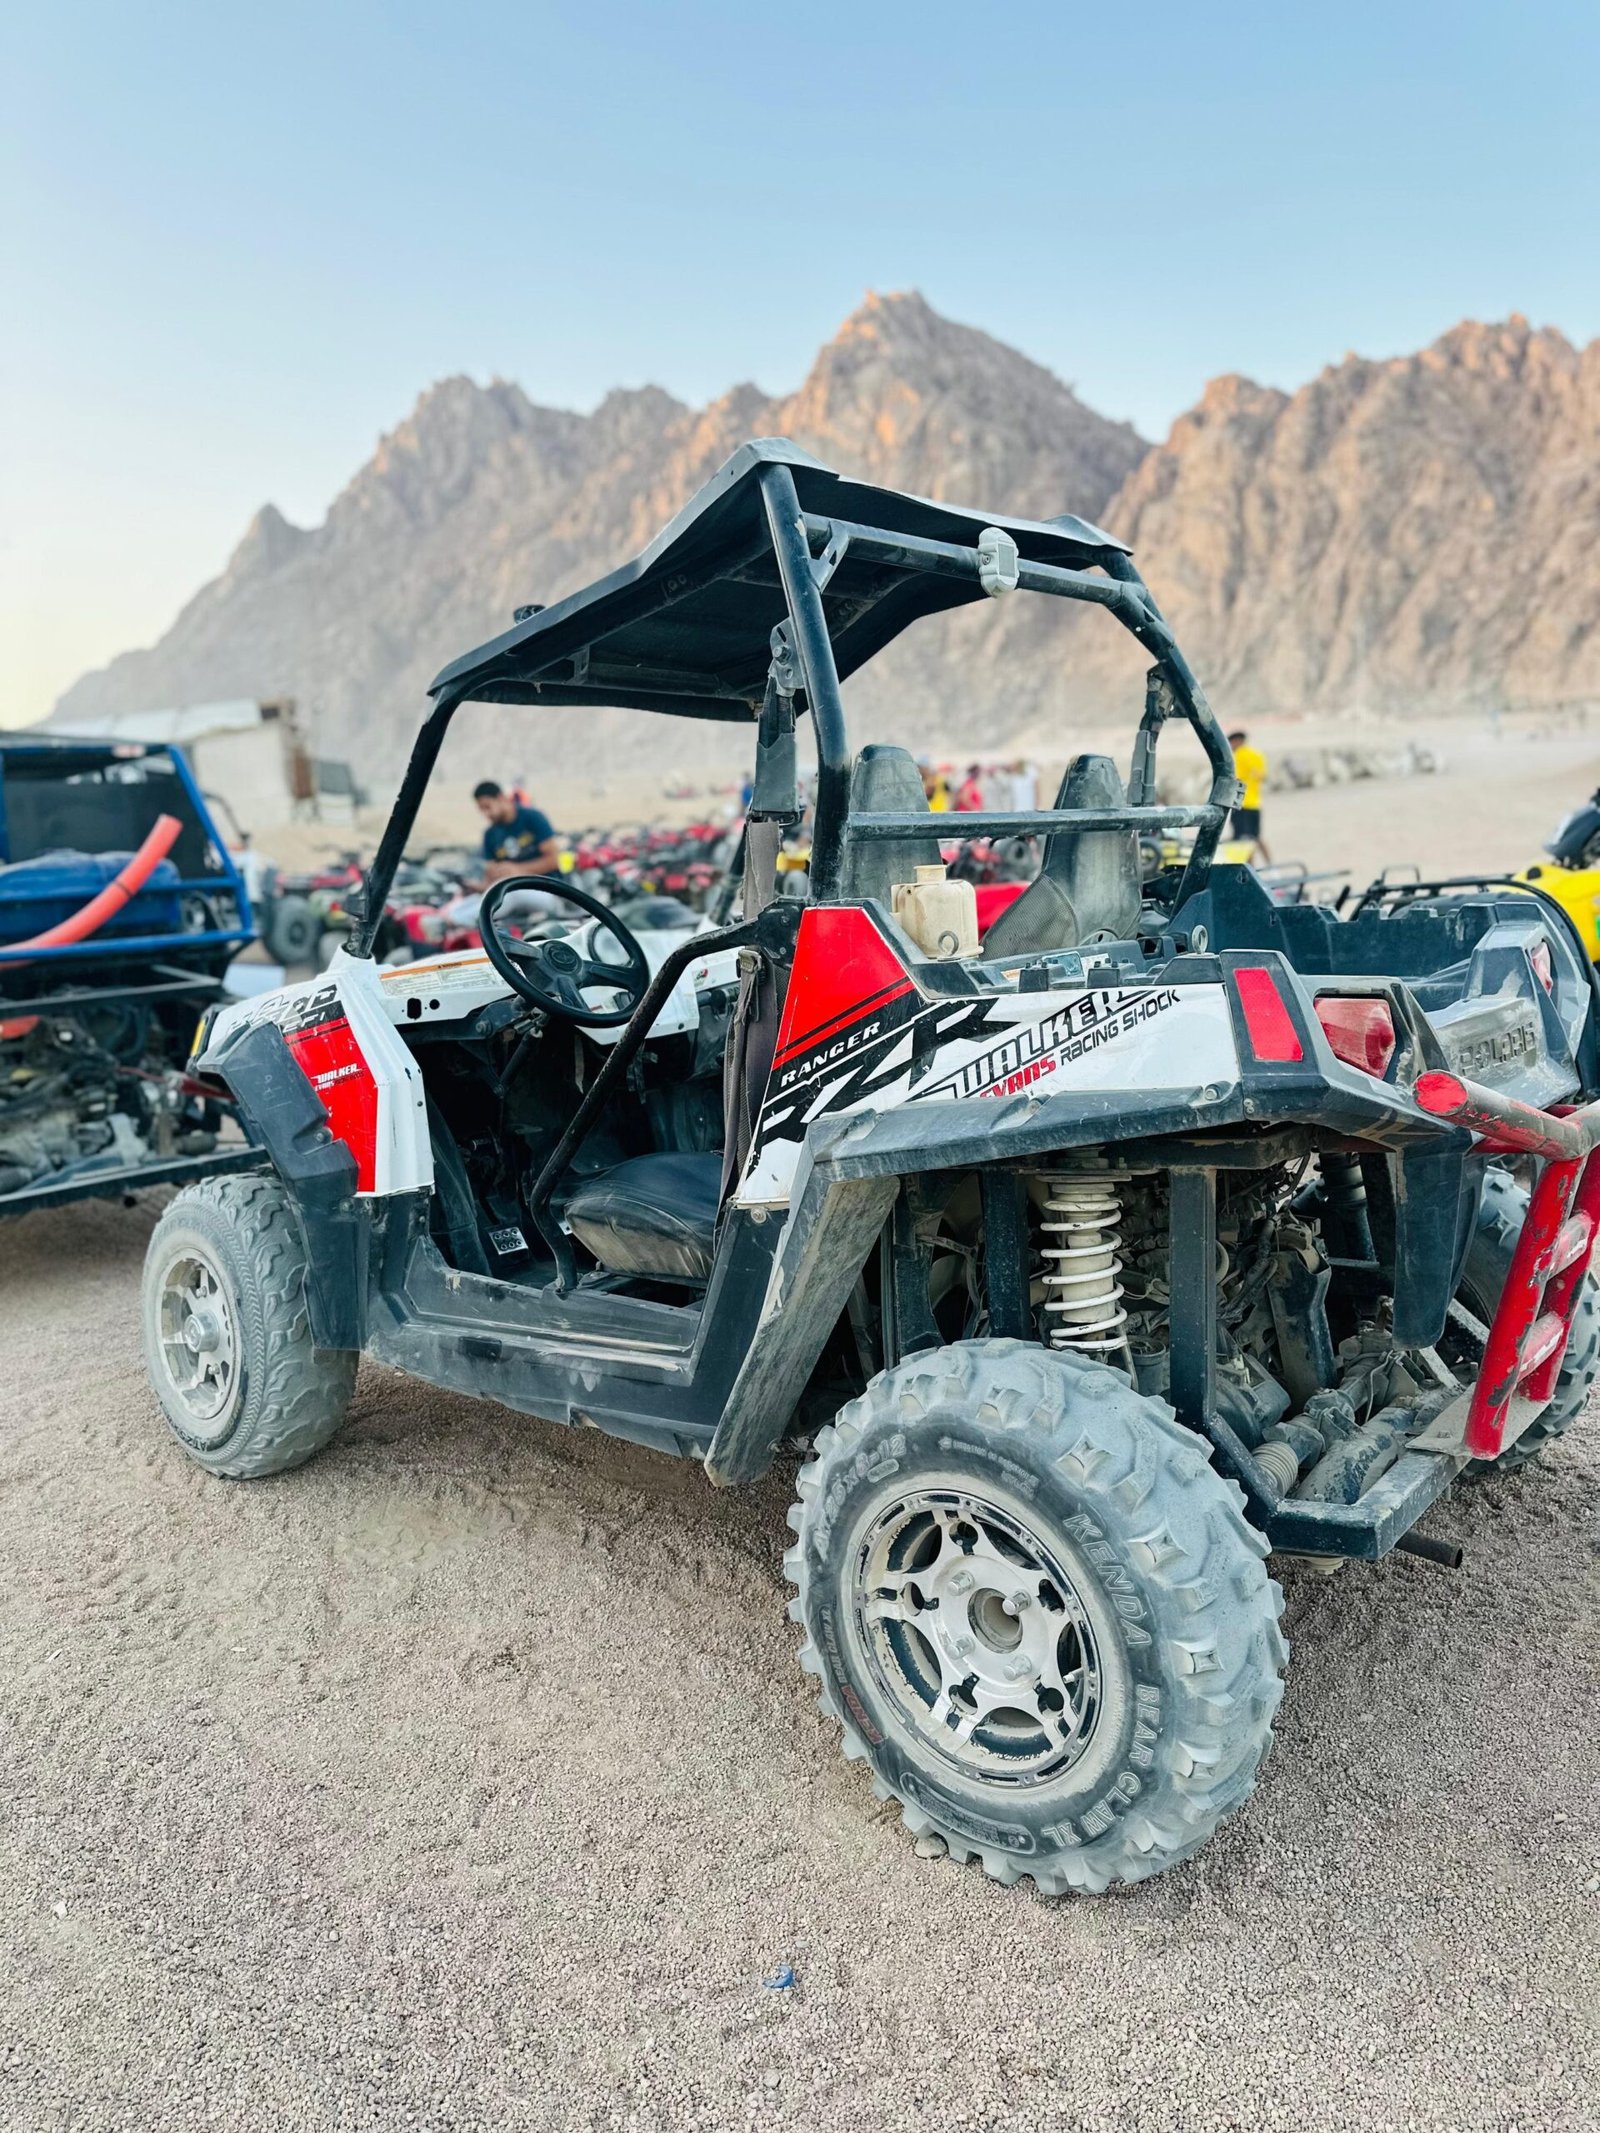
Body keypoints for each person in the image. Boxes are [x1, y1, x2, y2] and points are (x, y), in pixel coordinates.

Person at [473, 780, 562, 885]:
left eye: (488, 807)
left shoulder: (533, 817)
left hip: (544, 886)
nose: (486, 813)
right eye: (482, 810)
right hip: (509, 889)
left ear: (501, 798)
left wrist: (519, 870)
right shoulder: (490, 834)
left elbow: (554, 860)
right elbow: (489, 874)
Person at [1227, 729, 1271, 860]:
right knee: (1255, 837)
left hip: (1241, 804)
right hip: (1255, 804)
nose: (1231, 746)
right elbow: (1263, 777)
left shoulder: (1237, 756)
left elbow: (1235, 779)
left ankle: (1248, 870)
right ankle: (1272, 867)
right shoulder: (1257, 755)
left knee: (1242, 842)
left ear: (1237, 741)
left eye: (1231, 743)